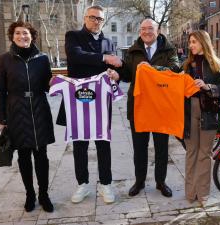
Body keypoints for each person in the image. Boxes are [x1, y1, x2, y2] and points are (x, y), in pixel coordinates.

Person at [0, 21, 55, 213]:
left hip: (39, 109)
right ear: (12, 36)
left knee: (42, 155)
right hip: (16, 111)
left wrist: (54, 82)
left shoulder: (43, 58)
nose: (22, 36)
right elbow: (0, 90)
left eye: (26, 33)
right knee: (23, 156)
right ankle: (30, 194)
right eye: (18, 33)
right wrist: (1, 118)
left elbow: (47, 86)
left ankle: (44, 194)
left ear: (32, 36)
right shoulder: (4, 60)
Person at [64, 5, 122, 204]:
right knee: (79, 144)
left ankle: (106, 184)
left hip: (101, 101)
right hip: (78, 99)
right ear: (85, 18)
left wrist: (116, 75)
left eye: (100, 19)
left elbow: (112, 70)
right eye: (93, 17)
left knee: (103, 143)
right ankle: (83, 185)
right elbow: (75, 56)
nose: (97, 21)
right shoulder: (73, 36)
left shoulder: (108, 41)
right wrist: (104, 58)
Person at [118, 18, 179, 198]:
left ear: (158, 30)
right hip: (139, 106)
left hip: (161, 106)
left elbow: (174, 68)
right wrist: (117, 73)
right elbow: (128, 75)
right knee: (139, 148)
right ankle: (139, 181)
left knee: (162, 148)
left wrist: (152, 69)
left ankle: (161, 182)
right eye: (143, 28)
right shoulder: (133, 50)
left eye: (150, 28)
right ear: (139, 32)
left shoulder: (169, 49)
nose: (146, 32)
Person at [182, 30, 220, 205]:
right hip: (189, 111)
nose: (191, 45)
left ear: (203, 42)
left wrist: (207, 86)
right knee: (191, 152)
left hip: (209, 113)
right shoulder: (186, 65)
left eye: (194, 41)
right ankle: (190, 192)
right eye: (190, 42)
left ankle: (203, 194)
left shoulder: (217, 64)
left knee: (205, 153)